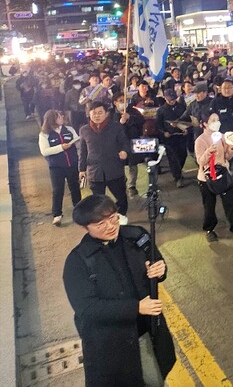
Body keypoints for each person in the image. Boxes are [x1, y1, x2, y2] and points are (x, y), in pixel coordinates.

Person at [62, 195, 176, 386]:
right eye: (100, 223)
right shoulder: (77, 262)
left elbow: (156, 261)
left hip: (148, 331)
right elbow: (88, 309)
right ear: (85, 227)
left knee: (156, 376)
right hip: (112, 343)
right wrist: (136, 307)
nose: (110, 226)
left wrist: (160, 269)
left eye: (113, 218)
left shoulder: (136, 236)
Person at [194, 111, 233, 243]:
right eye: (212, 120)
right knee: (209, 206)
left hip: (224, 175)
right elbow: (200, 161)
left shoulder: (222, 136)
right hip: (207, 179)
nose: (216, 123)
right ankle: (209, 229)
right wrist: (209, 151)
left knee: (231, 204)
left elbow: (227, 157)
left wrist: (231, 147)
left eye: (217, 120)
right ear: (204, 124)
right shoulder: (200, 140)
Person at [78, 101, 131, 224]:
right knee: (98, 201)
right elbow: (83, 151)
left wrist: (124, 151)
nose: (97, 115)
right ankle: (103, 221)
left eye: (100, 112)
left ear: (106, 113)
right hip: (95, 172)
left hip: (114, 169)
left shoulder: (115, 127)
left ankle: (121, 216)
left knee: (121, 197)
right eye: (94, 113)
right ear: (89, 114)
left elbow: (125, 142)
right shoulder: (84, 130)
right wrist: (81, 169)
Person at [39, 110, 81, 227]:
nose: (62, 117)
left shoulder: (69, 130)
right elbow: (45, 151)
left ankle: (79, 211)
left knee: (75, 187)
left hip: (72, 164)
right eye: (58, 117)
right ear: (52, 119)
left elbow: (78, 143)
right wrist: (61, 147)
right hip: (56, 167)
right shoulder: (44, 134)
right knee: (58, 190)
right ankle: (57, 214)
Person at [157, 89, 189, 188]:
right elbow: (158, 125)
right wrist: (164, 132)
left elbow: (187, 119)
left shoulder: (182, 107)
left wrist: (186, 129)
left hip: (181, 136)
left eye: (174, 99)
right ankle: (177, 177)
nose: (172, 101)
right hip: (169, 138)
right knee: (172, 157)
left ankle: (179, 170)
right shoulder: (161, 110)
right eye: (170, 99)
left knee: (183, 155)